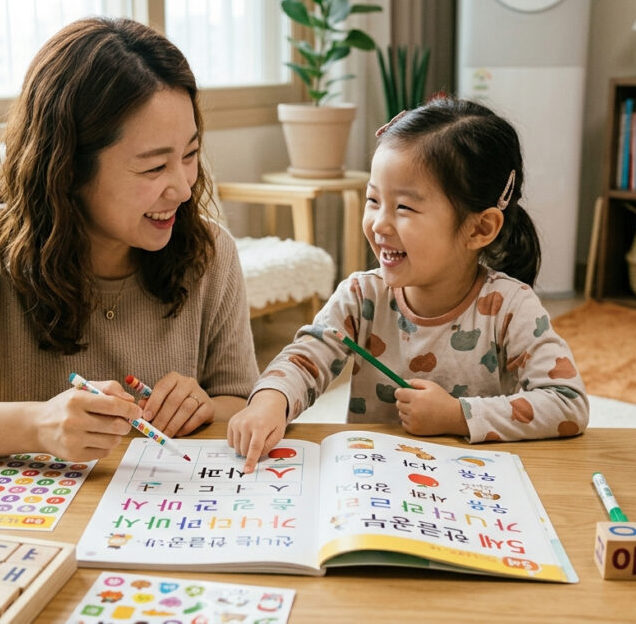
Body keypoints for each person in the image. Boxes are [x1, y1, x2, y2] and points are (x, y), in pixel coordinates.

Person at [0, 17, 259, 462]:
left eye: (191, 155)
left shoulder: (208, 251)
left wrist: (206, 407)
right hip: (28, 521)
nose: (183, 187)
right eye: (154, 167)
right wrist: (37, 425)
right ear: (69, 168)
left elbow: (244, 403)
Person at [228, 98, 589, 473]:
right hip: (375, 483)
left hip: (474, 486)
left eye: (404, 208)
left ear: (480, 228)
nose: (379, 224)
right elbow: (305, 360)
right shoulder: (360, 296)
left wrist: (456, 415)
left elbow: (568, 403)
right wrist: (270, 399)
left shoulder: (511, 307)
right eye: (373, 200)